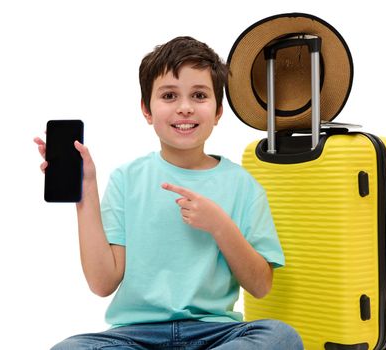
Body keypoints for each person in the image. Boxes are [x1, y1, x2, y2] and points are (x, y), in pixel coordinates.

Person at [34, 36, 303, 350]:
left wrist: (219, 225)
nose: (185, 108)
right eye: (169, 96)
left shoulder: (242, 185)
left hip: (214, 334)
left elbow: (260, 285)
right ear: (147, 110)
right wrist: (86, 195)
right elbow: (102, 283)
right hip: (136, 337)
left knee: (282, 337)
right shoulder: (126, 179)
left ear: (218, 112)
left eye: (199, 95)